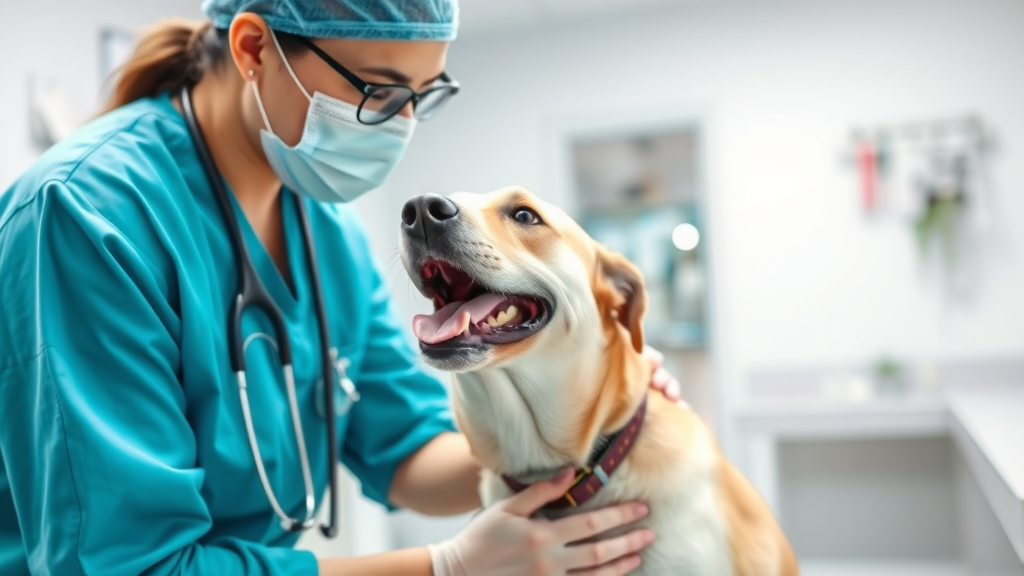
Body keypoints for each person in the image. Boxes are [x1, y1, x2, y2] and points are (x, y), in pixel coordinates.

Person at [0, 1, 682, 575]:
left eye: (423, 97)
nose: (401, 127)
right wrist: (445, 566)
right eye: (379, 92)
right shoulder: (86, 216)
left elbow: (410, 449)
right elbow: (130, 564)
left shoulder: (329, 232)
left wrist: (588, 413)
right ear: (253, 48)